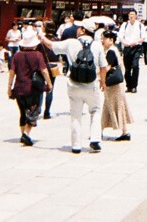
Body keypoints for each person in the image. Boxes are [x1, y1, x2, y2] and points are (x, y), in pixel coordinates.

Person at [37, 19, 108, 154]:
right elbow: (103, 66)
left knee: (75, 115)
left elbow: (51, 45)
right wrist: (103, 82)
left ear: (82, 30)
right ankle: (95, 139)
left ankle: (76, 145)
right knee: (95, 111)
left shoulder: (71, 43)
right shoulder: (97, 45)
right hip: (92, 84)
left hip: (74, 83)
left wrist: (40, 35)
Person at [7, 28, 51, 146]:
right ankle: (26, 134)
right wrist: (49, 83)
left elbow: (12, 72)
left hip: (19, 87)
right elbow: (44, 71)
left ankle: (22, 134)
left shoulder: (17, 55)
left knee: (22, 112)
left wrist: (9, 87)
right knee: (33, 110)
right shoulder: (37, 55)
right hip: (33, 88)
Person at [99, 30, 133, 141]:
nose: (102, 41)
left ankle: (124, 131)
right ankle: (100, 130)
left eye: (104, 38)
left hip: (114, 85)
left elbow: (107, 68)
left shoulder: (111, 52)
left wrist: (99, 78)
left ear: (111, 40)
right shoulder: (113, 50)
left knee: (116, 106)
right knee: (110, 107)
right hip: (116, 84)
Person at [118, 10, 145, 93]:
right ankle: (128, 86)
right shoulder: (124, 25)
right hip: (127, 48)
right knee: (127, 69)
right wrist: (124, 43)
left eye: (133, 14)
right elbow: (120, 36)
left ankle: (134, 86)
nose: (131, 16)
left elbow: (143, 37)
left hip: (136, 47)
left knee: (135, 66)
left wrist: (136, 42)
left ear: (136, 16)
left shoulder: (140, 25)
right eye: (130, 14)